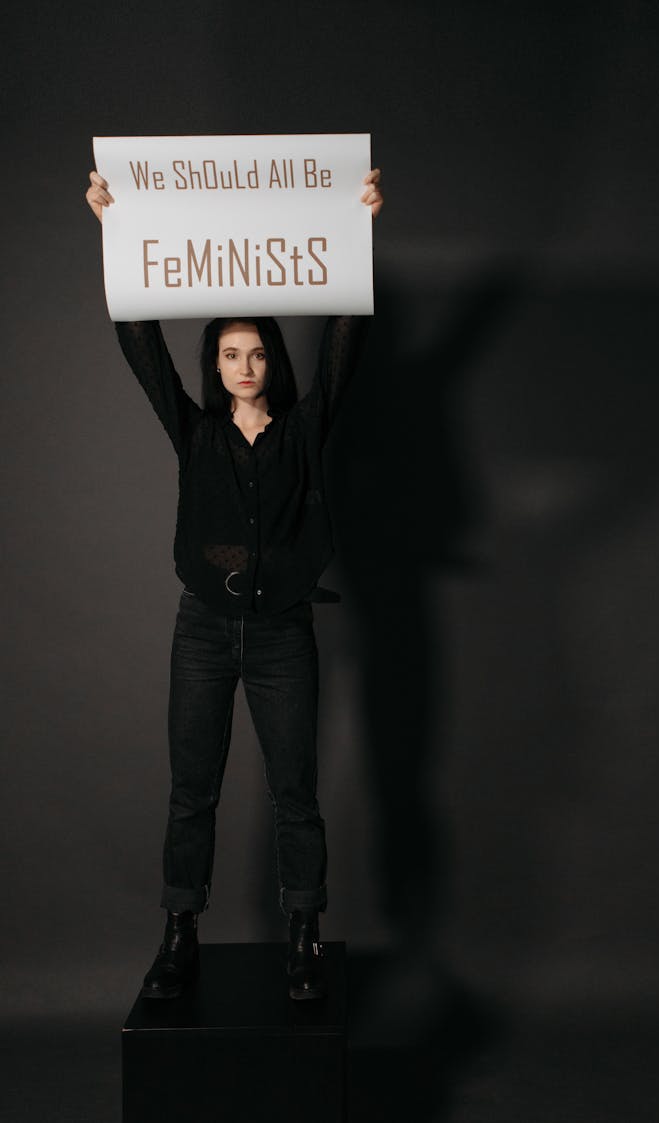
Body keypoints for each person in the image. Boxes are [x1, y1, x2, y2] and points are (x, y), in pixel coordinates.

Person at [85, 163, 383, 1001]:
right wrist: (115, 231)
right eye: (229, 353)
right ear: (214, 366)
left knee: (296, 791)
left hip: (286, 631)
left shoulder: (303, 430)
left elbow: (346, 340)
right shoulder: (197, 433)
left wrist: (360, 228)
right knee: (191, 790)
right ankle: (179, 931)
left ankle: (304, 934)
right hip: (203, 631)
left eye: (255, 351)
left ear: (270, 360)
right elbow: (140, 342)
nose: (244, 363)